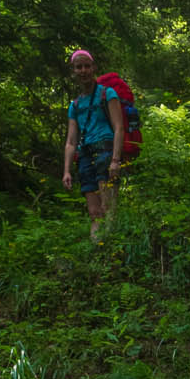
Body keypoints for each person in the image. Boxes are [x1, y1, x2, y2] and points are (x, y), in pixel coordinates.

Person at [62, 50, 126, 241]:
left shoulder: (107, 94)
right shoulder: (75, 105)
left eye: (87, 66)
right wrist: (66, 171)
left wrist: (115, 159)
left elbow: (119, 127)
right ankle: (97, 252)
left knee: (108, 207)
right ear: (74, 71)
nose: (83, 70)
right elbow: (71, 141)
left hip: (105, 150)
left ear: (93, 67)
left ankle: (113, 251)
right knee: (94, 212)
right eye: (79, 67)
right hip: (85, 156)